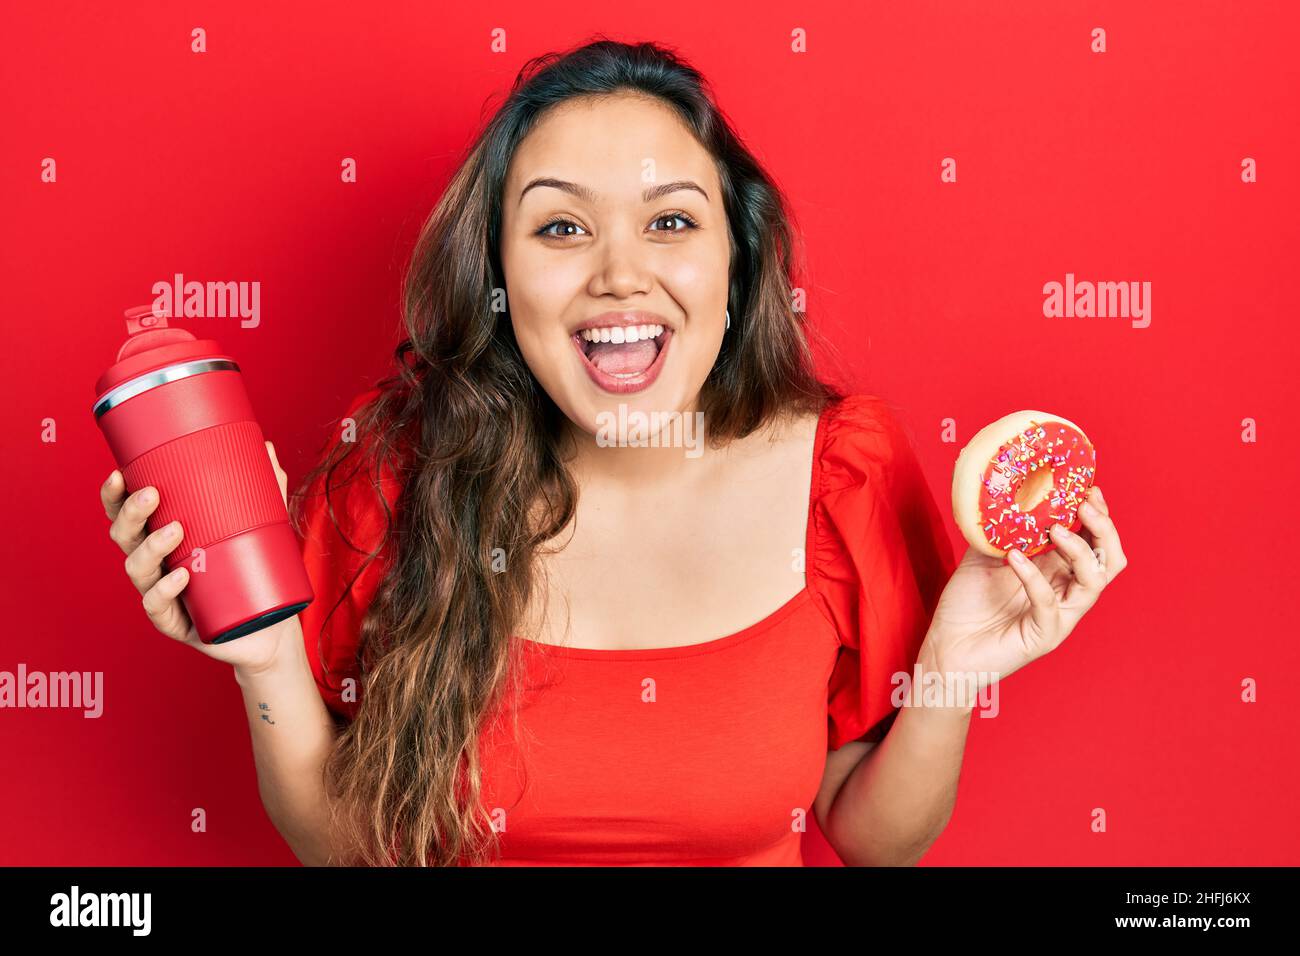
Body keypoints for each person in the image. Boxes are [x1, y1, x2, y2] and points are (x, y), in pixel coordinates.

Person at [98, 39, 1127, 867]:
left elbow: (872, 838)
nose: (620, 274)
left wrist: (950, 668)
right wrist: (264, 654)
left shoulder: (842, 472)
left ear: (739, 257)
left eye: (671, 220)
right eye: (559, 229)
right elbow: (343, 847)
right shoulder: (394, 476)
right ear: (496, 273)